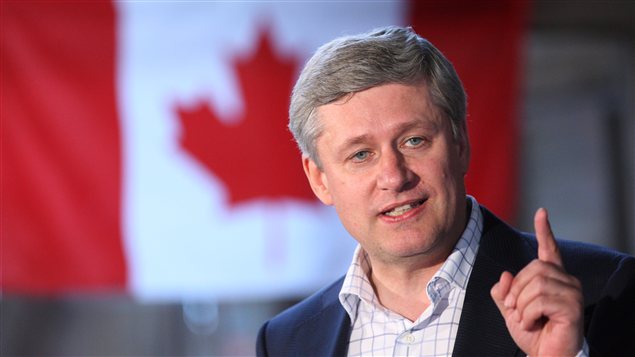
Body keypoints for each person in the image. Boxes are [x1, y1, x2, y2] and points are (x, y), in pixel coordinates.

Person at [256, 26, 634, 357]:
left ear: (460, 144)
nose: (393, 176)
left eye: (414, 140)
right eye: (361, 154)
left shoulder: (604, 292)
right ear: (319, 179)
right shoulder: (286, 341)